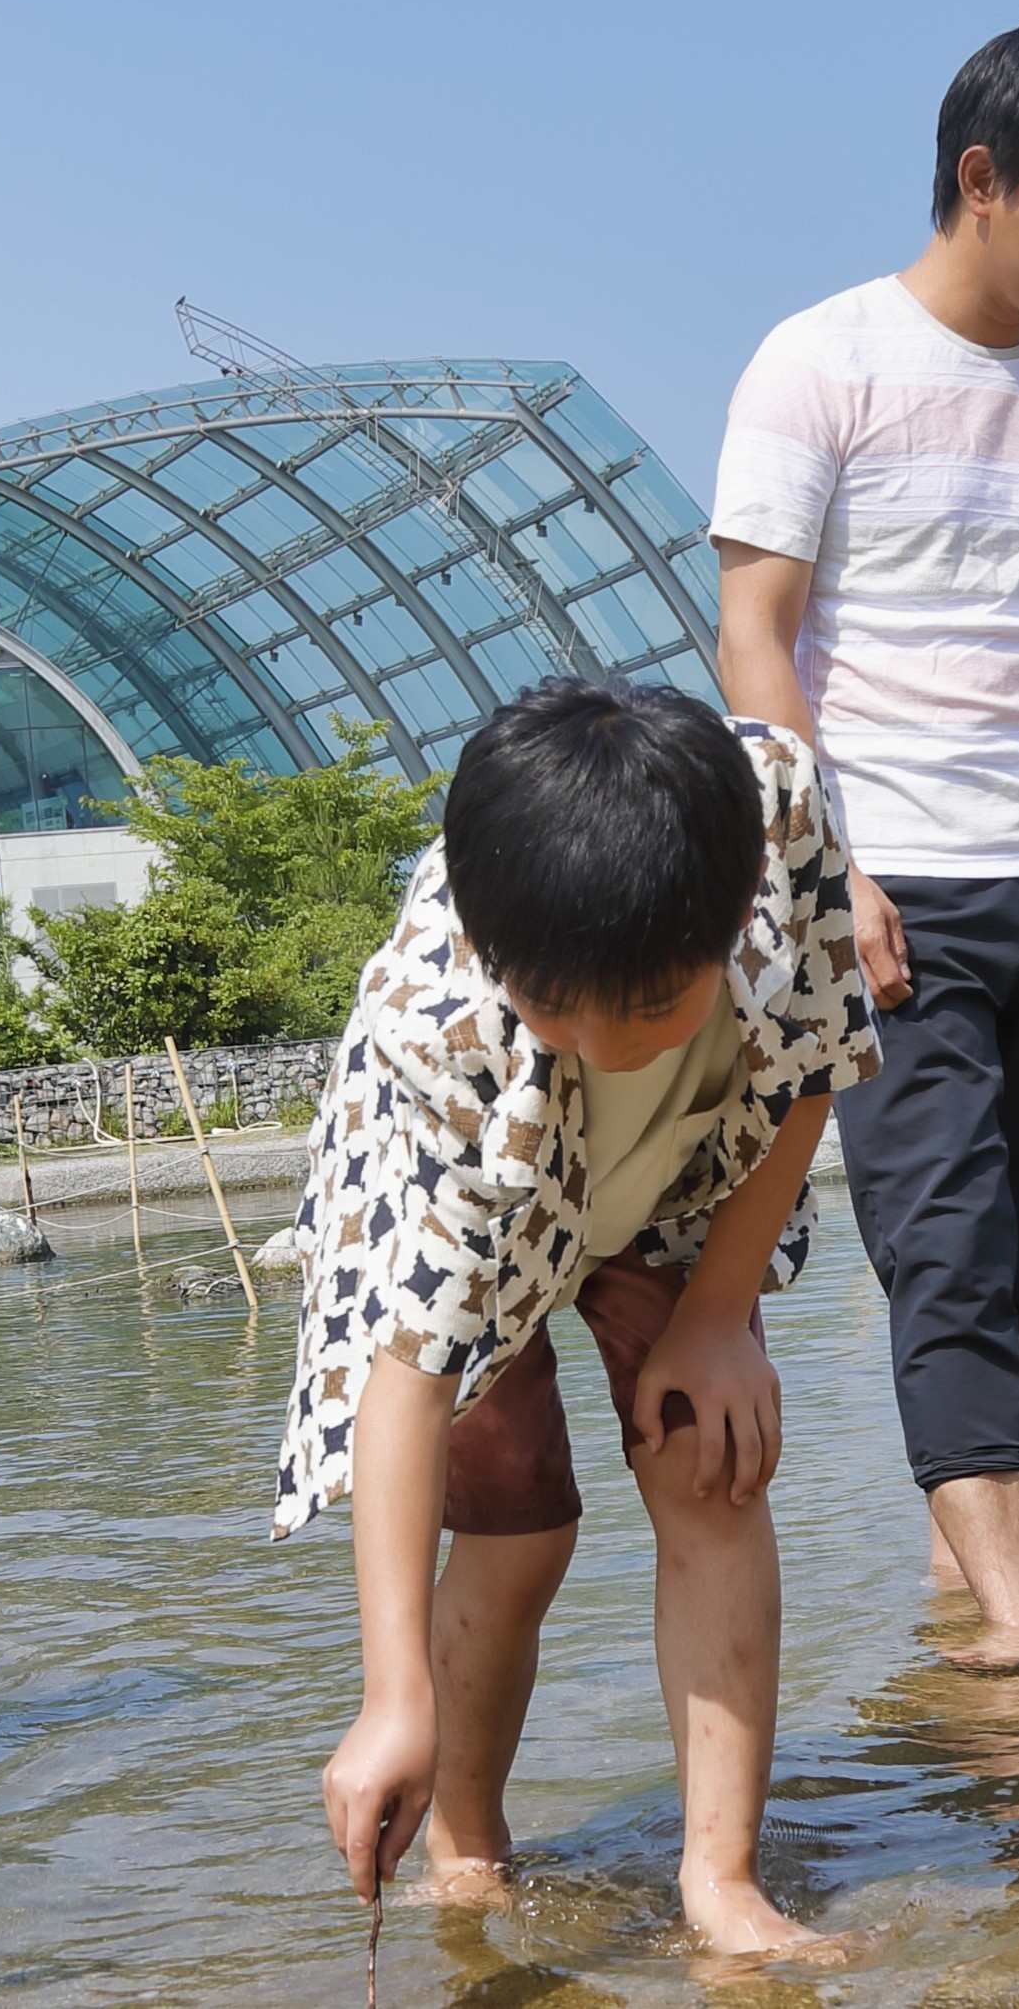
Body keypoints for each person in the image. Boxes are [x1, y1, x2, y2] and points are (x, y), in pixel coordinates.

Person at [706, 18, 1019, 1667]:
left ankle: (957, 1537)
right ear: (981, 181)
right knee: (947, 1244)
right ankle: (1011, 1615)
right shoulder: (820, 362)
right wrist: (822, 866)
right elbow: (754, 636)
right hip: (889, 887)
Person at [290, 680, 879, 1955]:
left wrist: (717, 1312)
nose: (603, 1043)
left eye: (651, 1005)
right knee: (516, 1533)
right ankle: (467, 1849)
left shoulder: (772, 803)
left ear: (729, 915)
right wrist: (389, 1697)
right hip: (489, 1182)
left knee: (710, 1465)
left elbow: (816, 1049)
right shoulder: (435, 1022)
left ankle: (720, 1883)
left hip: (688, 1171)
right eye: (560, 1007)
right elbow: (410, 1368)